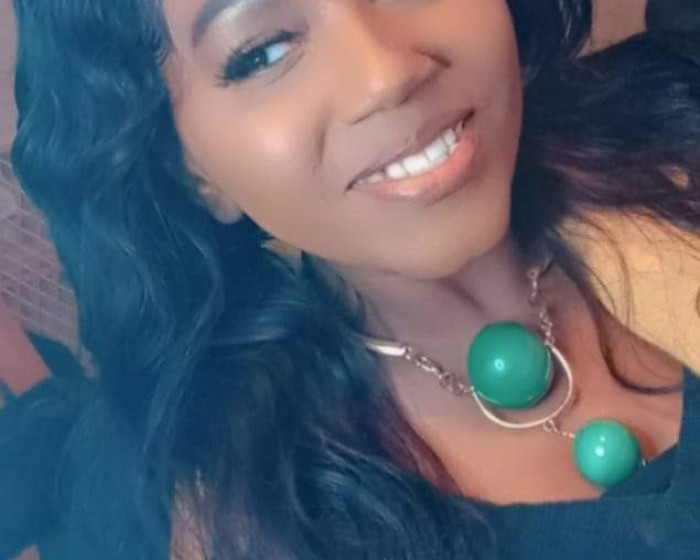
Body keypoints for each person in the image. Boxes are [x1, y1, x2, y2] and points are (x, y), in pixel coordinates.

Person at [8, 0, 700, 559]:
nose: (385, 73)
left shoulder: (673, 130)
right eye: (264, 51)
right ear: (188, 169)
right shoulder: (264, 523)